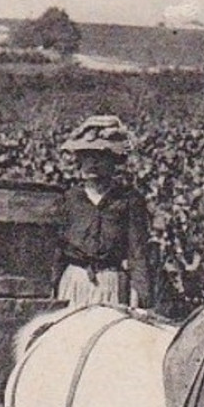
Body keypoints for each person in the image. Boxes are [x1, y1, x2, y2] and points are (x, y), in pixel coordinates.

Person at [53, 114, 158, 310]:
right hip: (74, 282)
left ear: (114, 161)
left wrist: (140, 299)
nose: (92, 164)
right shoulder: (69, 199)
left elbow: (137, 253)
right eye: (86, 156)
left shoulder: (129, 200)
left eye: (100, 157)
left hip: (111, 284)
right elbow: (57, 251)